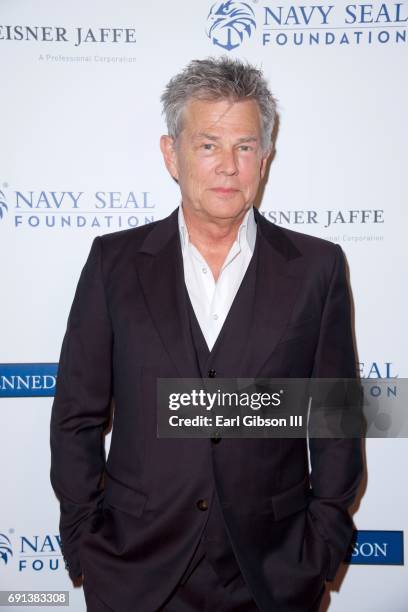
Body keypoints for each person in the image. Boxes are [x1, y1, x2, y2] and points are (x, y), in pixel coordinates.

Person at [50, 56, 362, 612]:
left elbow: (336, 418)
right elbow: (76, 414)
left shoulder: (317, 267)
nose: (228, 166)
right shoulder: (113, 263)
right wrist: (84, 544)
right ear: (172, 154)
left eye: (244, 147)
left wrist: (322, 544)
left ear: (264, 160)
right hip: (134, 572)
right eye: (208, 145)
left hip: (273, 573)